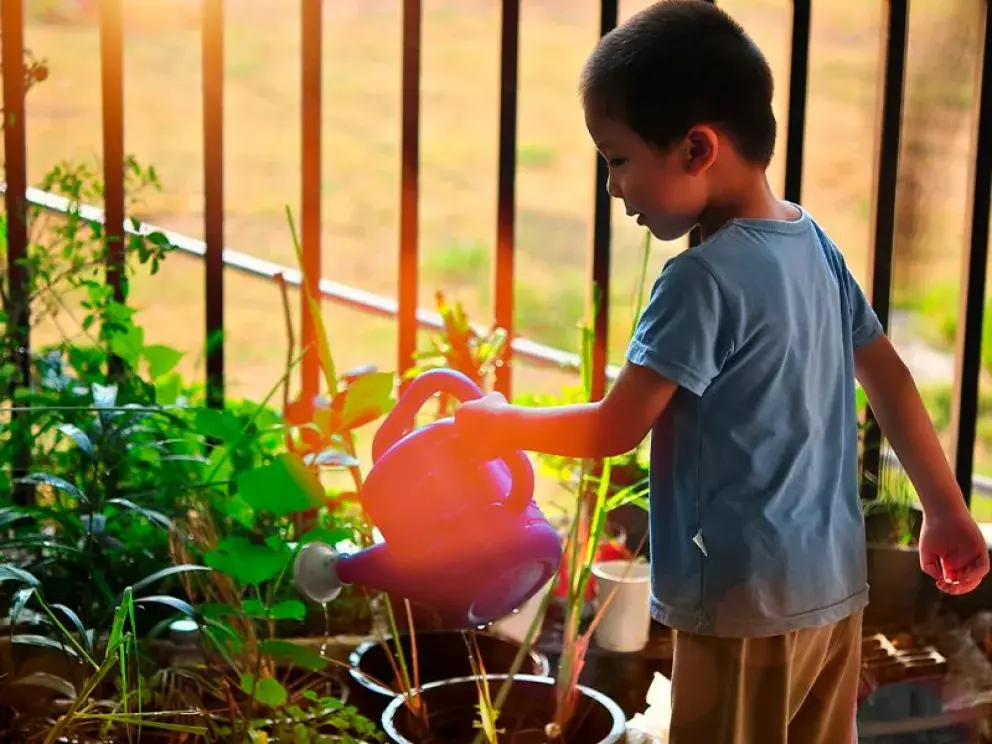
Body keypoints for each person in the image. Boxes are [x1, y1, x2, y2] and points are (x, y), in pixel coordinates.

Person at [452, 1, 990, 742]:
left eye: (618, 159)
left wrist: (498, 426)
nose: (613, 187)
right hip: (834, 592)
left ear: (696, 149)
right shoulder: (812, 243)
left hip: (743, 607)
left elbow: (616, 427)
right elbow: (889, 378)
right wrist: (944, 507)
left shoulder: (700, 280)